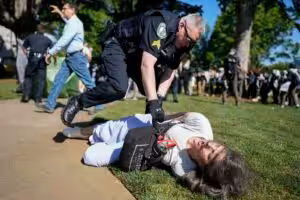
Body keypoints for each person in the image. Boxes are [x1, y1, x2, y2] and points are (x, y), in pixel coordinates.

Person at [61, 11, 204, 127]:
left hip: (137, 56)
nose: (189, 45)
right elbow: (147, 65)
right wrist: (153, 101)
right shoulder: (160, 23)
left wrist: (158, 99)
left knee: (156, 90)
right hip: (118, 44)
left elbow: (170, 70)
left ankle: (147, 125)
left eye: (193, 43)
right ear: (181, 26)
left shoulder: (185, 43)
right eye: (189, 39)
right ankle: (78, 101)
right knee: (119, 88)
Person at [62, 112, 249, 199]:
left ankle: (98, 139)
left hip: (136, 145)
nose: (209, 144)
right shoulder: (201, 124)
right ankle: (79, 132)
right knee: (104, 129)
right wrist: (156, 117)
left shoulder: (184, 168)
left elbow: (197, 182)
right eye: (218, 147)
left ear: (203, 166)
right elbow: (175, 115)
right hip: (144, 125)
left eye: (210, 154)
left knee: (90, 157)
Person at [37, 2, 97, 113]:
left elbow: (65, 39)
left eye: (65, 9)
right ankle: (50, 105)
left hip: (76, 57)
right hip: (70, 58)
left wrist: (51, 52)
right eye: (62, 9)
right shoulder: (72, 22)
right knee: (59, 80)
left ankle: (98, 105)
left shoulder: (75, 23)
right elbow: (67, 21)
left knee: (88, 82)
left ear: (72, 10)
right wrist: (60, 12)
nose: (63, 10)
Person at [21, 24, 53, 105]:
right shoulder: (47, 39)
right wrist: (48, 56)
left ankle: (26, 96)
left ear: (36, 30)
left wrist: (28, 55)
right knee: (41, 80)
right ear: (44, 31)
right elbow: (52, 50)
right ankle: (38, 99)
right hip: (42, 60)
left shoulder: (30, 37)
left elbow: (24, 47)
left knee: (28, 77)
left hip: (32, 59)